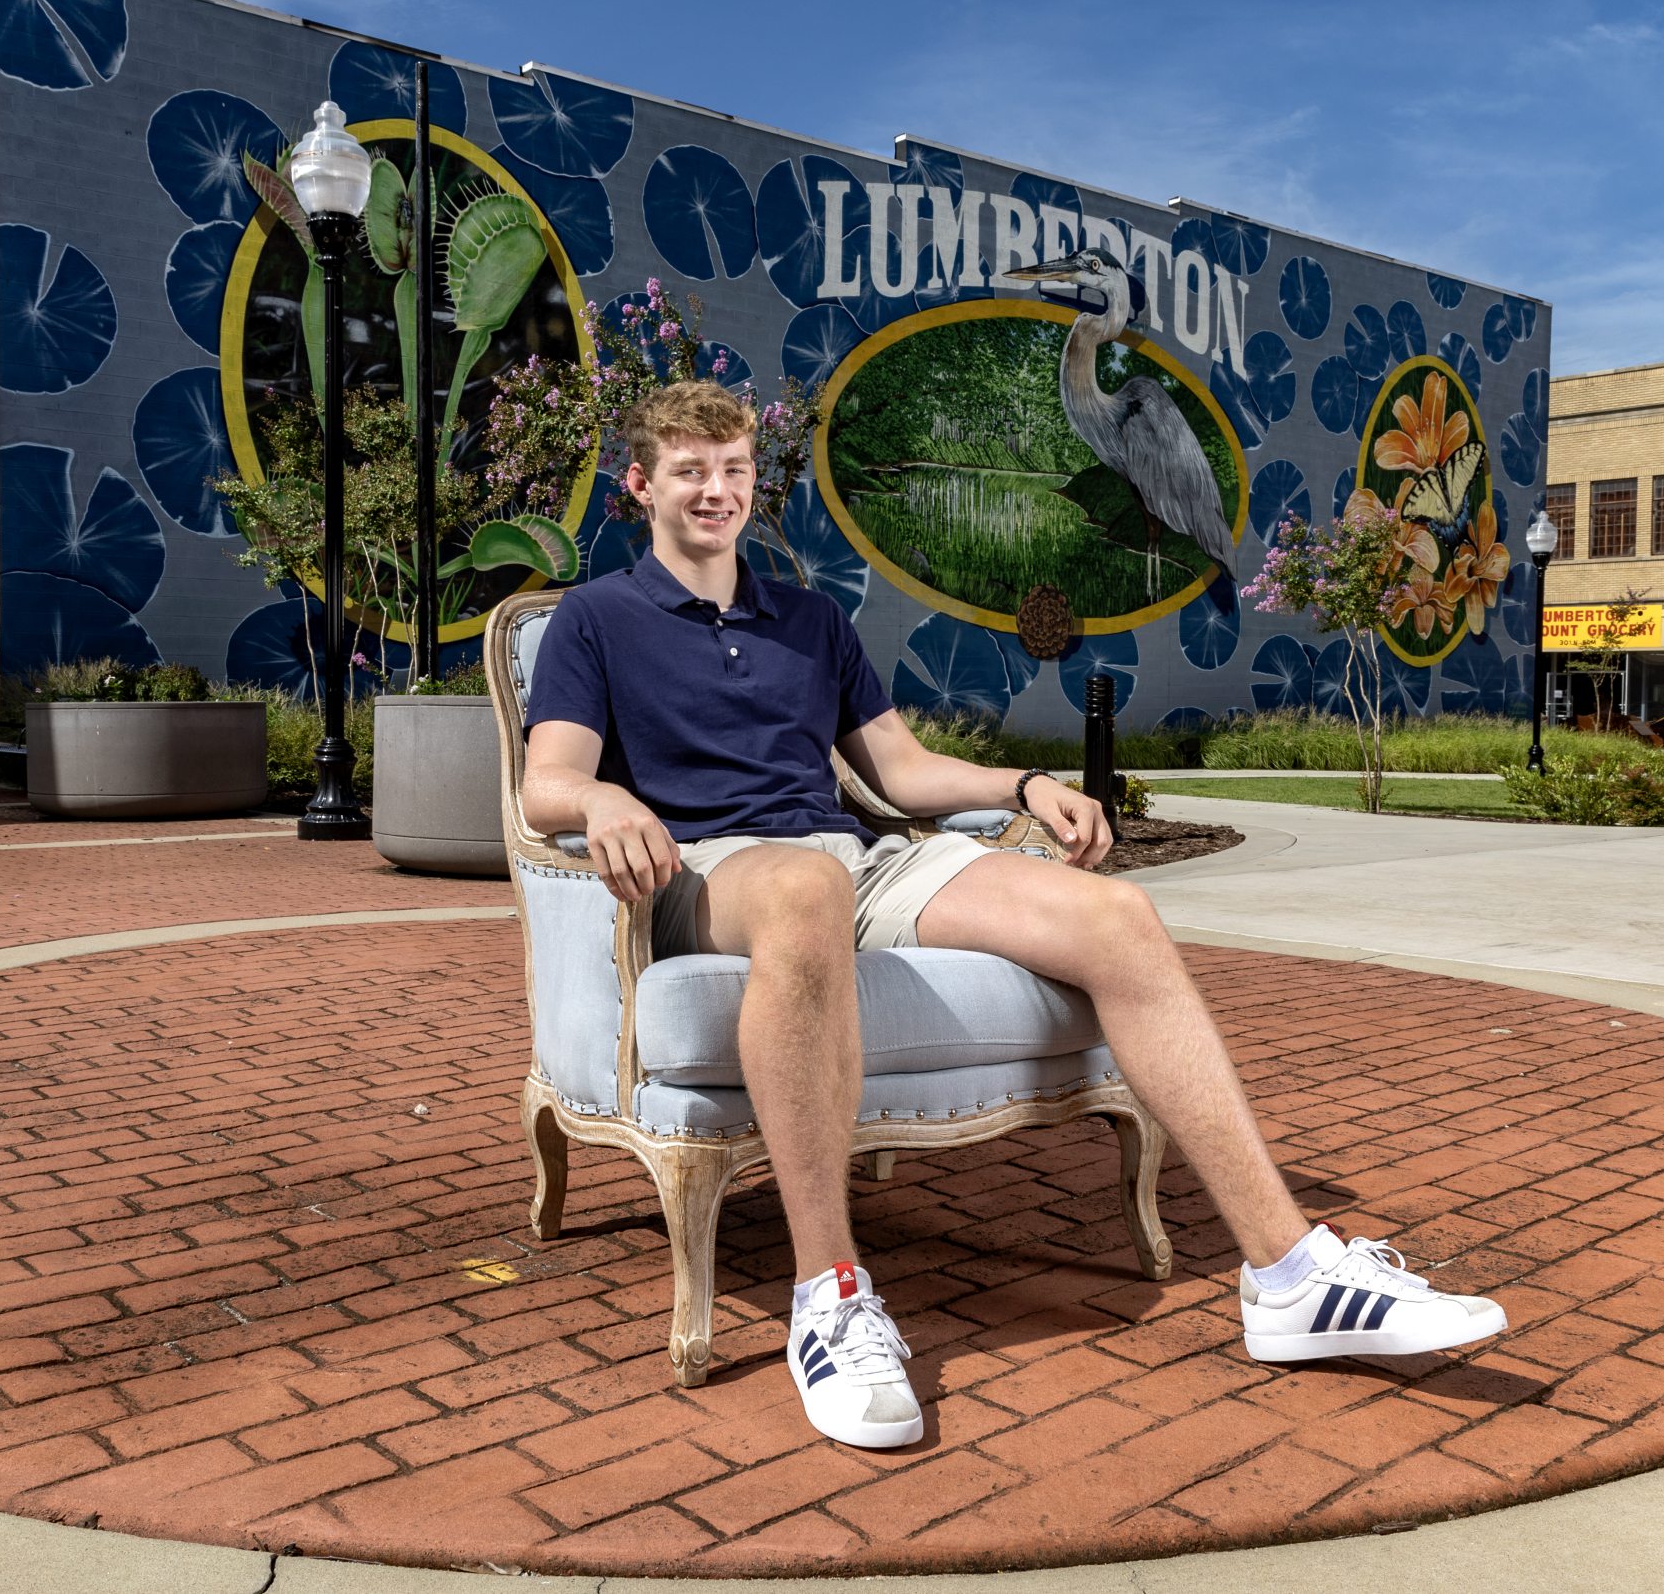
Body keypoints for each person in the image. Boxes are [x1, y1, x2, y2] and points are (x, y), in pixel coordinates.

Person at [520, 381, 1505, 1451]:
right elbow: (546, 785)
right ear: (641, 486)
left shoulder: (810, 619)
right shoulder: (597, 617)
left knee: (1116, 914)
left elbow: (896, 768)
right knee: (802, 887)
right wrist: (603, 795)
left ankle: (1289, 1275)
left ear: (756, 482)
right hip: (708, 871)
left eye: (734, 470)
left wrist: (1025, 785)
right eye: (689, 472)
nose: (715, 491)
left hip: (851, 861)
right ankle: (831, 1295)